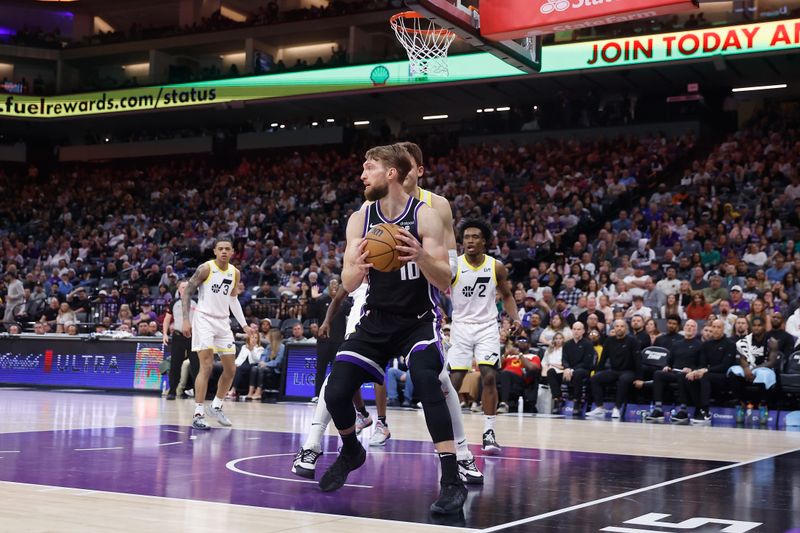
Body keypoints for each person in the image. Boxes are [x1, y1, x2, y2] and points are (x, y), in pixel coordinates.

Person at [292, 142, 483, 486]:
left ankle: (453, 475)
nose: (362, 174)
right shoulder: (360, 217)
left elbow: (445, 279)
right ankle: (350, 449)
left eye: (368, 168)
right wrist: (360, 264)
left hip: (418, 318)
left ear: (391, 173)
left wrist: (420, 256)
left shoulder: (428, 211)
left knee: (430, 380)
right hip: (376, 314)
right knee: (336, 389)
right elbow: (348, 282)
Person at [448, 217, 521, 454]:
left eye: (475, 237)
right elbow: (435, 288)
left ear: (485, 242)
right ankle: (448, 431)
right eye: (467, 237)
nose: (470, 240)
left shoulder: (496, 266)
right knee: (455, 380)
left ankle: (489, 433)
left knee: (489, 376)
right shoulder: (453, 265)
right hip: (460, 326)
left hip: (487, 326)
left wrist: (515, 318)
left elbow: (508, 296)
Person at [182, 236, 254, 430]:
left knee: (231, 370)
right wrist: (186, 319)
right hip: (204, 319)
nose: (223, 251)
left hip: (223, 323)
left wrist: (245, 325)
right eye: (220, 248)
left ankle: (216, 406)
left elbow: (233, 300)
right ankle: (198, 412)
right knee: (206, 366)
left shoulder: (235, 273)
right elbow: (187, 292)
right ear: (214, 251)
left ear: (232, 252)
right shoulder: (206, 268)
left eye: (227, 249)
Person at [645, 319, 702, 424]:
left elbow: (701, 364)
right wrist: (667, 366)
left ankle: (683, 410)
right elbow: (669, 361)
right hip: (674, 372)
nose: (689, 328)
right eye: (688, 325)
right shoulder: (676, 344)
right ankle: (658, 409)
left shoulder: (700, 345)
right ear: (684, 328)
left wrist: (692, 370)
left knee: (681, 375)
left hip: (689, 374)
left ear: (696, 330)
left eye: (692, 326)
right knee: (658, 374)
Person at [586, 319, 643, 419]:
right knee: (595, 378)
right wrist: (597, 373)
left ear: (626, 328)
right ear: (614, 328)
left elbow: (638, 361)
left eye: (622, 326)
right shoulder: (609, 341)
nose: (619, 328)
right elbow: (602, 360)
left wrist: (639, 378)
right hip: (614, 370)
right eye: (617, 326)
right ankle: (599, 408)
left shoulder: (633, 341)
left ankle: (617, 408)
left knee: (623, 380)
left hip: (629, 371)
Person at [728, 316, 777, 425]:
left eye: (759, 325)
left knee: (763, 375)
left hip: (765, 368)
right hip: (749, 367)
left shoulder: (771, 341)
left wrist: (755, 369)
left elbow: (772, 362)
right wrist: (746, 368)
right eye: (754, 325)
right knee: (733, 372)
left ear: (764, 326)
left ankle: (763, 405)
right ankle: (740, 404)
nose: (756, 328)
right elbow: (742, 357)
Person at [163, 281, 197, 400]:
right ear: (179, 290)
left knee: (196, 365)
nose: (185, 289)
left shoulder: (197, 302)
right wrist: (165, 334)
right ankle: (172, 391)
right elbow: (167, 319)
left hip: (193, 337)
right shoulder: (174, 303)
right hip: (178, 336)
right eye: (183, 287)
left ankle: (198, 392)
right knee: (175, 365)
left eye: (188, 287)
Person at [562, 320, 597, 416]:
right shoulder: (567, 344)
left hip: (584, 370)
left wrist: (571, 370)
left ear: (583, 331)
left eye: (579, 329)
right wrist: (566, 368)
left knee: (577, 373)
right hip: (568, 370)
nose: (576, 331)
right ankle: (557, 399)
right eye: (574, 329)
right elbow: (564, 359)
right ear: (571, 330)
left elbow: (587, 363)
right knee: (552, 372)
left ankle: (577, 402)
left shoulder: (588, 344)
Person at [248, 329, 285, 400]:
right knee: (254, 368)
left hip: (275, 370)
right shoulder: (269, 346)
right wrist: (262, 362)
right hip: (266, 367)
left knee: (261, 369)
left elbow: (277, 362)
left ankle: (259, 392)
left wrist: (266, 364)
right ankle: (250, 391)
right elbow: (263, 356)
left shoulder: (282, 347)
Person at [233, 329, 264, 399]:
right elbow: (239, 358)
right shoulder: (244, 347)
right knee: (235, 367)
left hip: (252, 365)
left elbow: (257, 360)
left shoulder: (260, 348)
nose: (254, 339)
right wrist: (234, 364)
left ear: (258, 340)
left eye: (256, 338)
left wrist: (252, 350)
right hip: (242, 364)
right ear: (249, 338)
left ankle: (233, 390)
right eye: (252, 337)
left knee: (239, 368)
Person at [540, 332, 566, 414]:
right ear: (553, 340)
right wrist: (547, 367)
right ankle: (557, 399)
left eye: (560, 338)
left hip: (562, 372)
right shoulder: (549, 350)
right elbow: (544, 362)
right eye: (556, 338)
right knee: (550, 372)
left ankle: (557, 399)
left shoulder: (565, 350)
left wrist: (553, 364)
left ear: (563, 340)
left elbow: (564, 364)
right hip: (551, 371)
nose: (558, 340)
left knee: (552, 373)